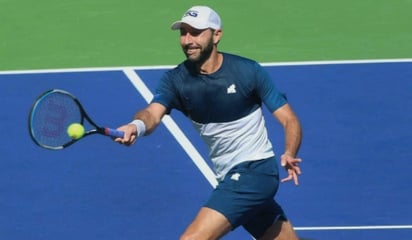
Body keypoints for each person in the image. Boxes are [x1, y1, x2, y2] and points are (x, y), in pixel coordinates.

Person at [115, 5, 303, 240]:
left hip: (255, 172)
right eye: (183, 33)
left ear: (217, 35)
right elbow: (152, 114)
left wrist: (289, 151)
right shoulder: (176, 81)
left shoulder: (247, 71)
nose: (187, 40)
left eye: (196, 33)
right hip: (231, 176)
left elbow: (290, 120)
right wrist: (136, 126)